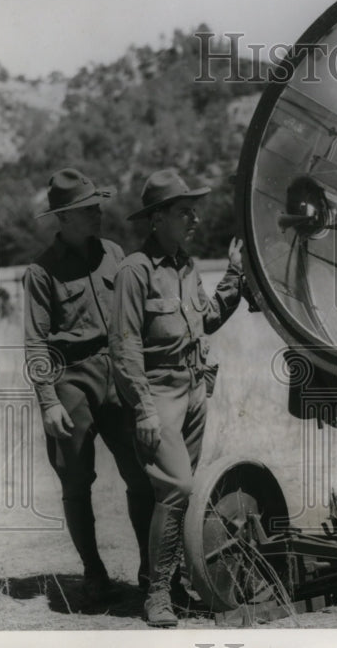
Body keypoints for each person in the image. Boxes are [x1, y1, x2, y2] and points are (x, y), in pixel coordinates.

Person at [109, 169, 244, 628]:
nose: (195, 219)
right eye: (185, 211)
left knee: (172, 496)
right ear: (158, 217)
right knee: (178, 488)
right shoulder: (135, 270)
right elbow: (124, 346)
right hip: (158, 394)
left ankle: (168, 583)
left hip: (192, 390)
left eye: (194, 210)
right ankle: (158, 595)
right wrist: (144, 409)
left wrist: (236, 274)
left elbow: (205, 320)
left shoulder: (186, 266)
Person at [23, 168, 155, 609]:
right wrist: (48, 402)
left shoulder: (115, 253)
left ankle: (151, 571)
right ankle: (95, 576)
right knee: (76, 482)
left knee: (142, 474)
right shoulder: (41, 272)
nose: (97, 214)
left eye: (96, 206)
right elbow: (35, 342)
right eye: (86, 210)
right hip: (69, 381)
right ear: (64, 217)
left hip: (117, 375)